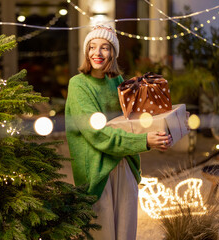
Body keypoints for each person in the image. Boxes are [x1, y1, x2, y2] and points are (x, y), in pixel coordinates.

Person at [64, 25, 172, 240]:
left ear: (113, 53)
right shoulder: (78, 85)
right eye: (92, 47)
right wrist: (145, 141)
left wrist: (168, 126)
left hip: (124, 165)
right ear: (86, 52)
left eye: (105, 47)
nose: (97, 53)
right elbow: (98, 134)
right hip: (98, 170)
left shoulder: (118, 82)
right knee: (103, 233)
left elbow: (134, 122)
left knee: (125, 233)